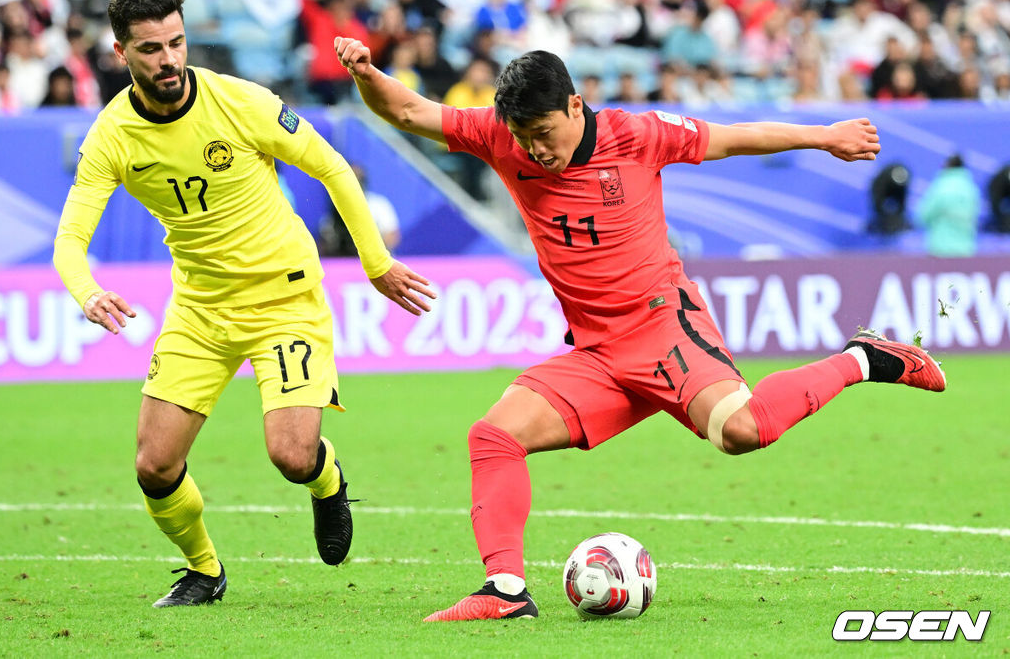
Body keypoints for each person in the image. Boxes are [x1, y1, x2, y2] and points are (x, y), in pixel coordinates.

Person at [334, 35, 947, 622]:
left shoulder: (636, 135)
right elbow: (410, 110)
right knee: (493, 437)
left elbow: (734, 138)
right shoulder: (503, 136)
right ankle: (505, 591)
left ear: (576, 105)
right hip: (598, 353)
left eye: (544, 133)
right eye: (523, 137)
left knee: (743, 430)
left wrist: (825, 137)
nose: (535, 150)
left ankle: (865, 359)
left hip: (663, 328)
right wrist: (365, 74)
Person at [51, 0, 435, 609]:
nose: (169, 59)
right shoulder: (112, 136)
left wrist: (376, 262)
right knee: (153, 465)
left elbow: (332, 166)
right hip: (200, 309)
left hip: (285, 300)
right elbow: (70, 239)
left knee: (291, 455)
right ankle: (204, 571)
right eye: (151, 50)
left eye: (176, 42)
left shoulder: (241, 102)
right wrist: (87, 291)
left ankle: (327, 479)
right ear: (122, 54)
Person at [915, 153, 981, 257]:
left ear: (947, 165)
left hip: (940, 248)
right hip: (966, 249)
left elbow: (923, 216)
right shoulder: (971, 188)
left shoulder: (940, 187)